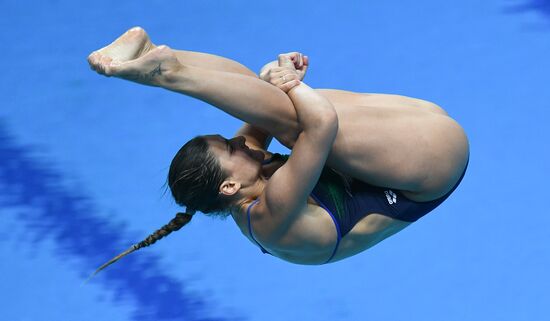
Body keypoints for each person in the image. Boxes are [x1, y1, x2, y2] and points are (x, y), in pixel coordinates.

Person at [87, 27, 469, 275]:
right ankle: (167, 73)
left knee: (270, 102)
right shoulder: (269, 219)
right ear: (229, 187)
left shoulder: (242, 178)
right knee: (293, 121)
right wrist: (291, 83)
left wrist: (275, 79)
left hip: (402, 149)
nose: (241, 141)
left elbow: (255, 99)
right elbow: (321, 124)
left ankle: (154, 52)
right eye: (231, 148)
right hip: (428, 171)